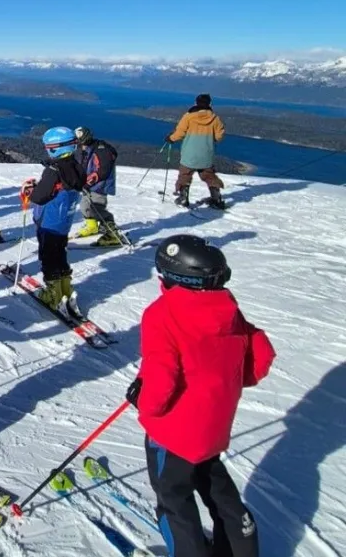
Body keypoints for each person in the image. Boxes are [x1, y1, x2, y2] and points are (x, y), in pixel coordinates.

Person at [127, 234, 274, 557]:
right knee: (216, 487)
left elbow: (161, 381)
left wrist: (145, 406)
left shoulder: (162, 313)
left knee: (173, 498)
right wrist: (227, 383)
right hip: (214, 427)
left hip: (172, 432)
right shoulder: (227, 307)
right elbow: (261, 357)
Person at [22, 127, 85, 310]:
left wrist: (29, 191)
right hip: (64, 222)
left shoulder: (53, 170)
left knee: (48, 255)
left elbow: (40, 196)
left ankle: (53, 293)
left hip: (49, 222)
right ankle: (65, 287)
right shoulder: (76, 166)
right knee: (60, 252)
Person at [168, 94, 226, 209]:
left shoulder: (188, 117)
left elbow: (180, 133)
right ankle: (216, 198)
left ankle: (183, 198)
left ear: (196, 103)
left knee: (185, 175)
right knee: (209, 175)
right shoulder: (215, 118)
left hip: (189, 153)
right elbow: (219, 136)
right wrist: (208, 139)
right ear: (209, 104)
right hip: (206, 153)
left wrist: (170, 138)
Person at [73, 126, 121, 247]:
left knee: (96, 208)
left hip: (99, 185)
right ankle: (92, 226)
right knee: (85, 206)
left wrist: (86, 183)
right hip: (88, 185)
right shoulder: (86, 148)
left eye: (82, 140)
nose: (80, 144)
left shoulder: (101, 150)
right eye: (79, 141)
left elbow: (102, 171)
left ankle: (113, 234)